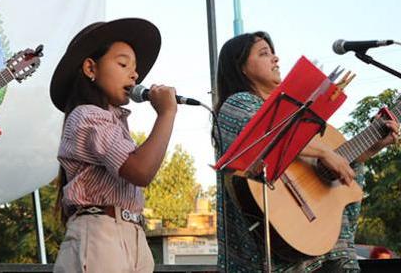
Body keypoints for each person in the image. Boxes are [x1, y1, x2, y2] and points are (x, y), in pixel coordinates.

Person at [213, 31, 400, 272]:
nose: (276, 58)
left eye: (273, 52)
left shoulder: (300, 113)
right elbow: (260, 137)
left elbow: (334, 172)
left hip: (319, 241)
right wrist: (324, 152)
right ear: (241, 69)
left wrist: (373, 145)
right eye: (264, 53)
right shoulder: (238, 104)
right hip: (266, 246)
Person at [50, 18, 177, 272]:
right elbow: (140, 171)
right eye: (122, 64)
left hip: (132, 234)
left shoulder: (113, 121)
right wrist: (166, 114)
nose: (134, 74)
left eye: (135, 69)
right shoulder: (87, 116)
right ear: (90, 68)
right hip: (100, 235)